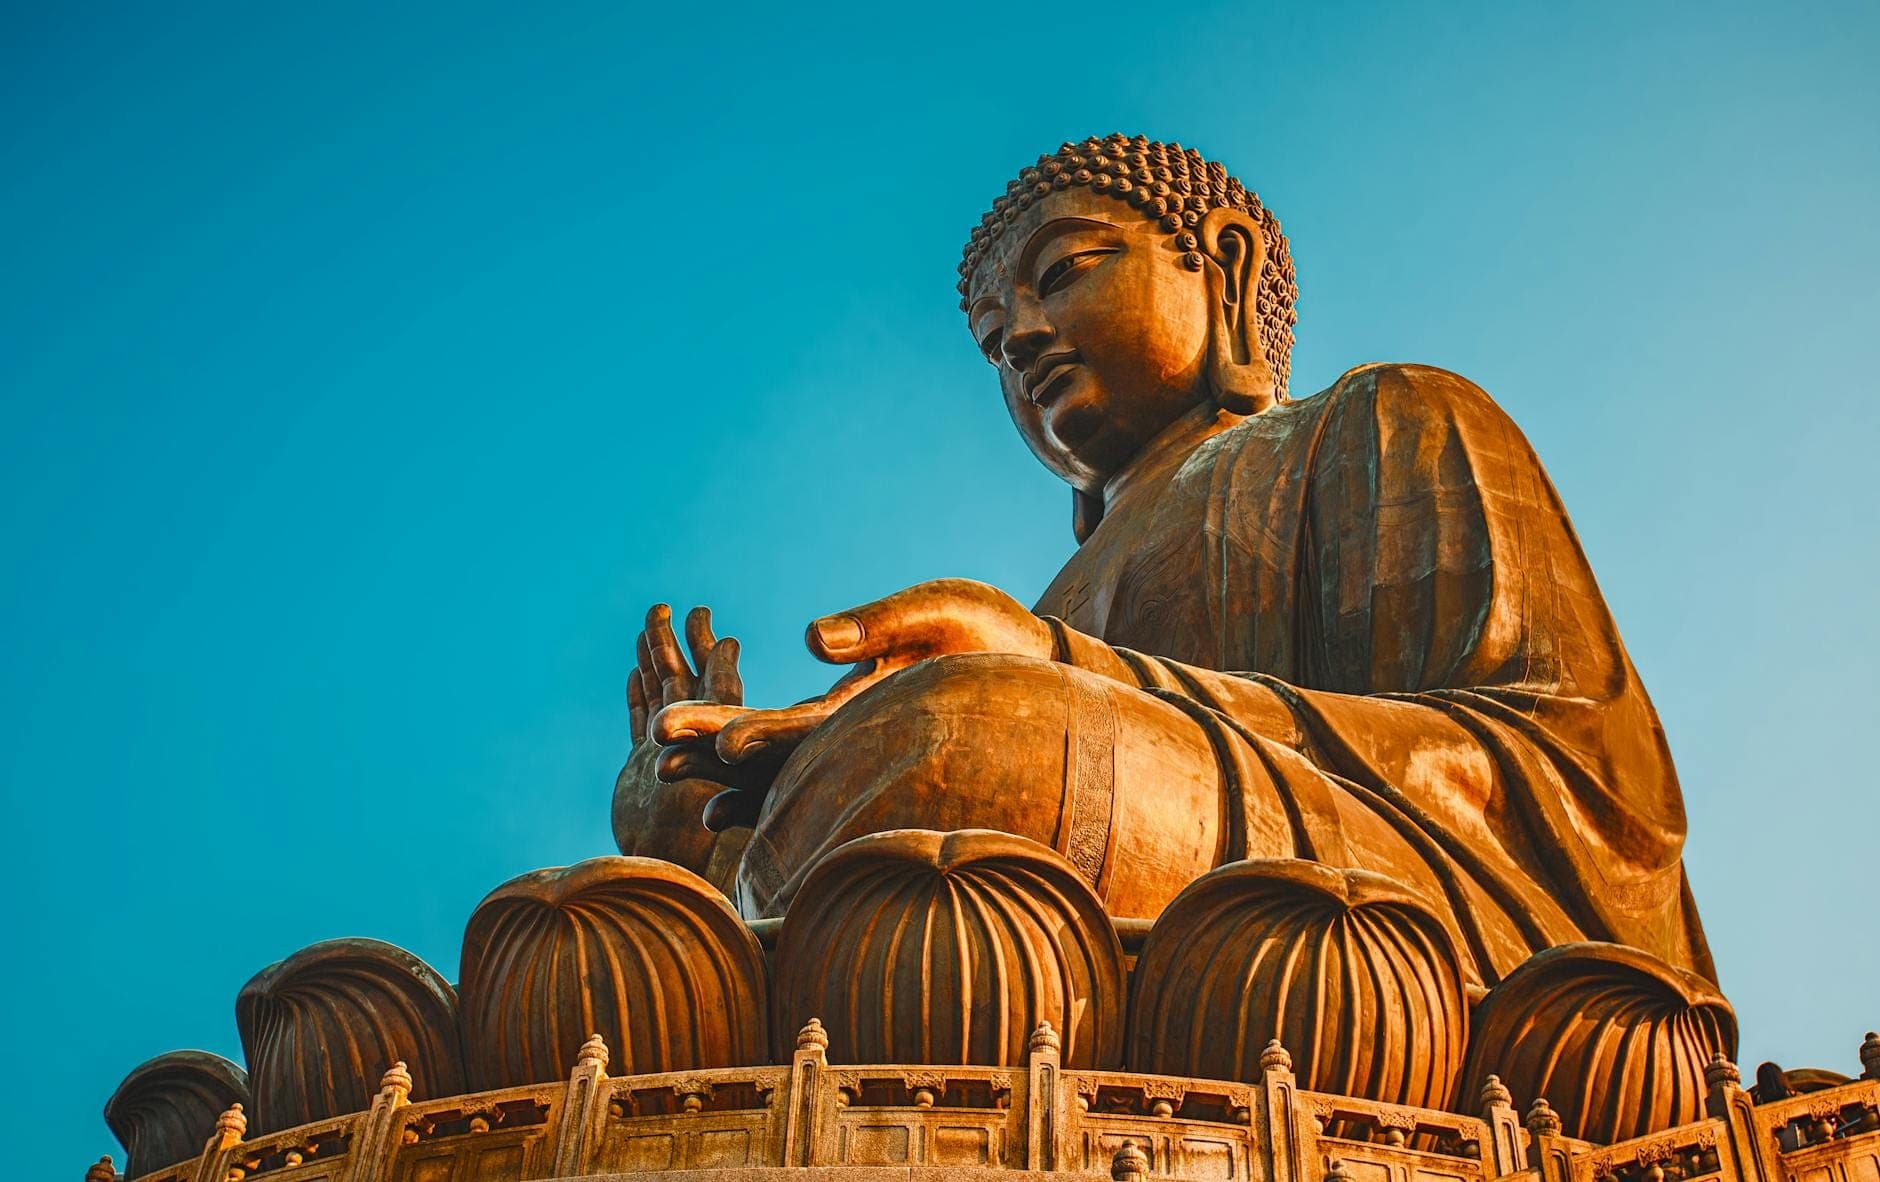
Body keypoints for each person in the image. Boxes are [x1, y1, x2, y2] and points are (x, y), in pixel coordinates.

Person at [614, 133, 1715, 1005]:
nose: (1028, 339)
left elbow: (1570, 789)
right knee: (621, 937)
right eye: (997, 341)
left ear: (1223, 265)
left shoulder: (1382, 422)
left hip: (1384, 933)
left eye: (1065, 273)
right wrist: (700, 844)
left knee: (963, 732)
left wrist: (1047, 676)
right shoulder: (1050, 602)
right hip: (1046, 939)